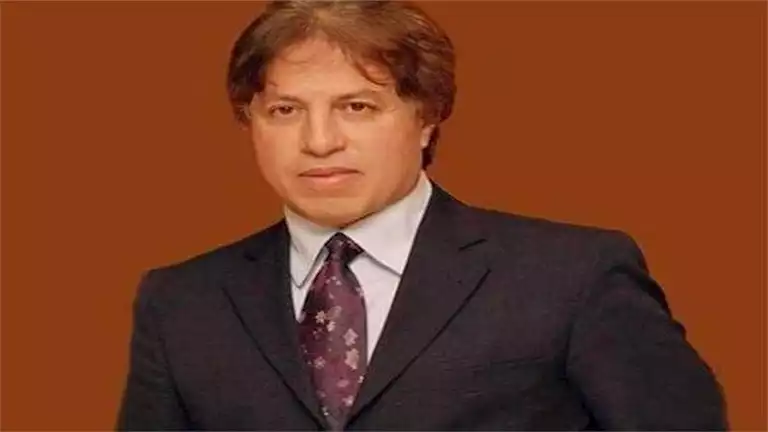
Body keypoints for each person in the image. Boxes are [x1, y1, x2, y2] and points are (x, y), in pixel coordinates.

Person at [116, 1, 728, 430]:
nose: (319, 141)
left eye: (357, 107)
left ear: (427, 117)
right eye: (285, 111)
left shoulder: (572, 275)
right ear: (249, 122)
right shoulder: (181, 302)